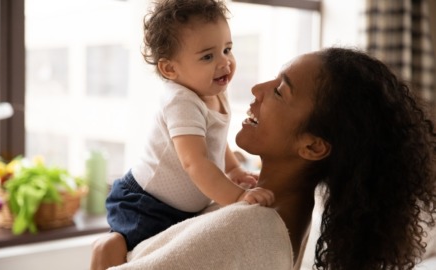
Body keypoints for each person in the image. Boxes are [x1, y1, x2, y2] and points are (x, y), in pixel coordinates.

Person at [91, 47, 436, 270]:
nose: (257, 90)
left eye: (280, 90)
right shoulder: (284, 217)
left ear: (313, 147)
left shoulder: (248, 226)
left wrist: (103, 257)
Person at [102, 0, 275, 268]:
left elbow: (214, 141)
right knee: (129, 255)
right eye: (208, 56)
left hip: (182, 208)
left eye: (227, 49)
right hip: (146, 204)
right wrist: (237, 197)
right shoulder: (181, 101)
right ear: (170, 69)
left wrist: (234, 168)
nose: (225, 62)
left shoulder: (214, 89)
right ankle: (102, 257)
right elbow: (194, 161)